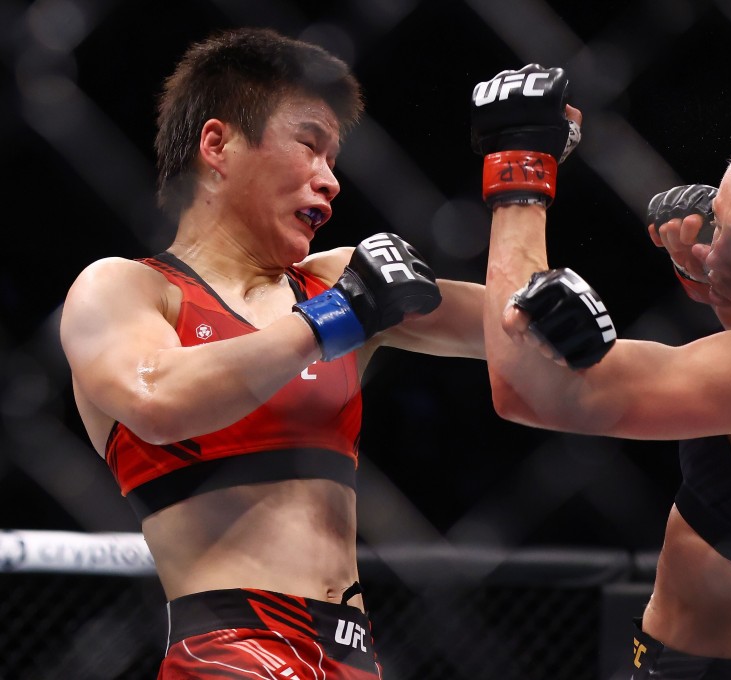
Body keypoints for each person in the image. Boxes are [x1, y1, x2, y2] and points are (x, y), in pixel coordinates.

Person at [59, 27, 485, 679]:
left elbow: (526, 338)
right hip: (229, 652)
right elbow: (158, 400)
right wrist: (337, 317)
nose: (331, 181)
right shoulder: (127, 289)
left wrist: (520, 180)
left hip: (354, 656)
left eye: (334, 159)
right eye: (309, 146)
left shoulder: (333, 278)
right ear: (217, 145)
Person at [470, 64, 731, 679]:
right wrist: (720, 276)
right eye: (719, 223)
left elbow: (527, 391)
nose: (712, 254)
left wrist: (520, 175)